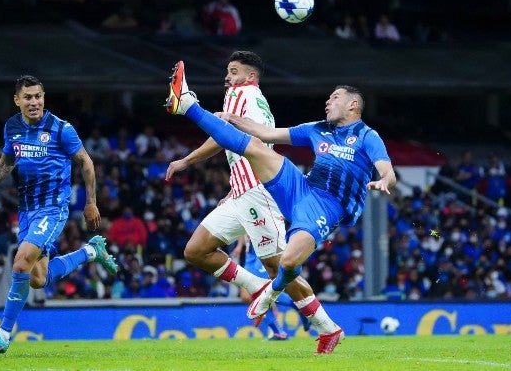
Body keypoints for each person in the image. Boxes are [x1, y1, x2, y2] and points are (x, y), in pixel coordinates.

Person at [164, 61, 396, 354]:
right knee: (255, 147)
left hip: (327, 206)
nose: (328, 100)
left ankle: (273, 295)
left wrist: (384, 180)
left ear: (353, 105)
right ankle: (188, 106)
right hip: (301, 187)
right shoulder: (317, 129)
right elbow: (267, 133)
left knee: (286, 264)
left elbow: (387, 170)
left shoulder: (367, 136)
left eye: (334, 97)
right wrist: (230, 120)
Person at [0, 75, 118, 354]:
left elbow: (86, 162)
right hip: (27, 210)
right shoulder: (12, 127)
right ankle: (91, 253)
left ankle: (2, 335)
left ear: (44, 97)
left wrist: (90, 203)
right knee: (37, 278)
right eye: (28, 97)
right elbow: (4, 165)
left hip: (53, 208)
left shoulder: (60, 129)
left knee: (20, 263)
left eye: (38, 96)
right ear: (17, 100)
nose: (34, 102)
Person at [165, 51, 311, 342]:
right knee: (196, 251)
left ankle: (322, 322)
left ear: (250, 76)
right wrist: (233, 185)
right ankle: (258, 287)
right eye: (228, 72)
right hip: (244, 190)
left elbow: (230, 137)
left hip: (257, 191)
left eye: (233, 71)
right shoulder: (255, 99)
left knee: (279, 265)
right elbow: (239, 140)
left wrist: (186, 161)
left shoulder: (240, 93)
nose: (227, 77)